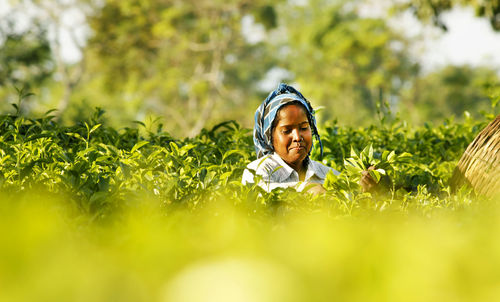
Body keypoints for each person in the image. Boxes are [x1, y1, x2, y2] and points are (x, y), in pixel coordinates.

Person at [241, 83, 378, 194]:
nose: (297, 137)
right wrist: (309, 189)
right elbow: (258, 193)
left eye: (304, 128)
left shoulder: (325, 173)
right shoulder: (257, 171)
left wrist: (366, 184)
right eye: (287, 130)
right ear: (269, 137)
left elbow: (352, 195)